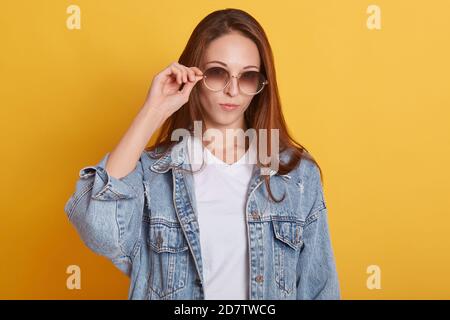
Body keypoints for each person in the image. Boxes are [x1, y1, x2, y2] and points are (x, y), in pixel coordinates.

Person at [64, 8, 340, 300]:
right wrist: (153, 110)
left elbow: (319, 289)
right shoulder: (153, 174)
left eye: (247, 77)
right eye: (218, 73)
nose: (233, 90)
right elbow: (99, 228)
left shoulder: (297, 176)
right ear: (194, 75)